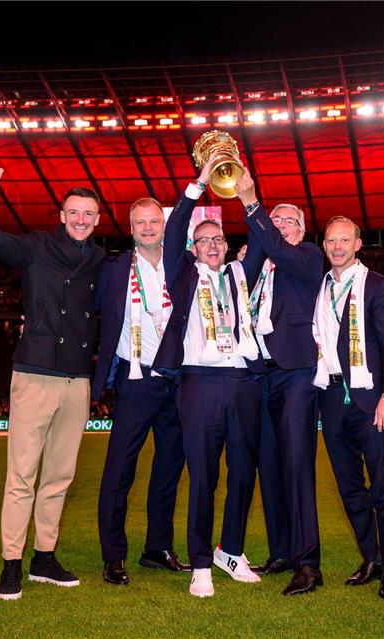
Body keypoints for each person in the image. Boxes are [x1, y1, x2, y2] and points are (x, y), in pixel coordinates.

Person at [0, 162, 105, 601]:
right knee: (22, 475)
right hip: (34, 372)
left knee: (60, 476)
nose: (81, 219)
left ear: (98, 219)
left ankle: (44, 557)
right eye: (74, 212)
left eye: (89, 214)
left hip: (77, 378)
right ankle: (12, 562)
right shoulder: (36, 247)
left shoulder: (102, 259)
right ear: (61, 214)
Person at [152, 157, 264, 598]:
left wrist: (247, 197)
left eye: (218, 238)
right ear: (193, 248)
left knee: (242, 472)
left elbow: (261, 239)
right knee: (203, 475)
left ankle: (230, 551)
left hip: (242, 382)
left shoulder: (240, 272)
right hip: (198, 382)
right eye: (204, 240)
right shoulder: (181, 273)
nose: (212, 244)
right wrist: (200, 183)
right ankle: (200, 561)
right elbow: (177, 224)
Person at [234, 170, 325, 596]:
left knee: (296, 465)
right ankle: (282, 550)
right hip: (260, 374)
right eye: (277, 218)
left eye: (289, 220)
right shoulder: (261, 265)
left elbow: (274, 246)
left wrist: (253, 206)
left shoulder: (306, 258)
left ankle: (309, 563)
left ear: (303, 231)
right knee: (269, 466)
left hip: (296, 374)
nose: (282, 225)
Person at [92, 196, 191, 586]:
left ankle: (157, 548)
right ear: (130, 228)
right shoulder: (113, 269)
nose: (148, 228)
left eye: (154, 221)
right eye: (140, 223)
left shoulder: (183, 266)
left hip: (178, 380)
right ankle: (114, 555)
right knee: (120, 470)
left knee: (169, 470)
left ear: (165, 226)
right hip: (136, 382)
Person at [313, 216, 384, 600]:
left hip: (370, 401)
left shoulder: (379, 286)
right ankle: (371, 558)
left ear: (358, 244)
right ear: (324, 246)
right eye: (331, 240)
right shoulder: (318, 287)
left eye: (344, 240)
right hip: (331, 400)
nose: (337, 247)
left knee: (383, 488)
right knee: (350, 489)